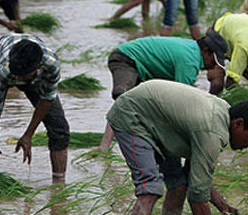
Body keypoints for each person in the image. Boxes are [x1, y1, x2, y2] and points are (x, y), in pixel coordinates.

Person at [106, 80, 248, 215]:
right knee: (149, 189)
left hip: (161, 123)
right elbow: (197, 198)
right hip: (132, 116)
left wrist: (223, 206)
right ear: (238, 124)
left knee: (179, 185)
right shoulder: (213, 132)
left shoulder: (222, 115)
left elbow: (197, 177)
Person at [98, 32, 229, 150]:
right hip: (126, 58)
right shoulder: (190, 61)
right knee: (123, 100)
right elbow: (180, 100)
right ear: (206, 52)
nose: (213, 65)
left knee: (138, 106)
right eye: (214, 60)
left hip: (143, 67)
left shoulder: (191, 49)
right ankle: (104, 146)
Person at [0, 33, 70, 180]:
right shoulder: (5, 69)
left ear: (39, 66)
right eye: (16, 76)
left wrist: (28, 135)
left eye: (22, 77)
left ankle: (59, 184)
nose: (17, 81)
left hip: (35, 79)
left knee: (59, 127)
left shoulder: (51, 65)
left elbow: (46, 100)